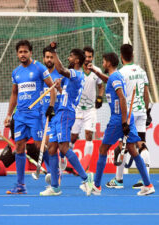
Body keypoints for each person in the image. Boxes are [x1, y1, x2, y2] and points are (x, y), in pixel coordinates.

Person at [87, 52, 155, 196]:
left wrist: (123, 122)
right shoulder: (115, 76)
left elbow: (122, 99)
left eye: (104, 61)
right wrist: (95, 71)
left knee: (103, 149)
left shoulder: (116, 77)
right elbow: (108, 80)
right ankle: (148, 185)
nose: (103, 63)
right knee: (132, 149)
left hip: (118, 119)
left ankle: (97, 187)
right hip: (125, 118)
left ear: (109, 63)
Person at [39, 43, 93, 196]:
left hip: (66, 113)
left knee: (63, 148)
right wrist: (59, 86)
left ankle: (85, 177)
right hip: (59, 113)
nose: (68, 58)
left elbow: (61, 69)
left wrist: (53, 51)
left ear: (76, 61)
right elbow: (65, 89)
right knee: (51, 148)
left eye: (70, 56)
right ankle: (55, 187)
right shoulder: (71, 76)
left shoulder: (77, 73)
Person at [4, 40, 56, 194]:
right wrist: (9, 114)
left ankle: (55, 177)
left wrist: (51, 107)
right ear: (17, 54)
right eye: (20, 52)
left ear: (30, 53)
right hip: (20, 116)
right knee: (19, 147)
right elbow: (14, 94)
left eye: (25, 51)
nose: (23, 54)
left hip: (36, 115)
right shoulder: (16, 72)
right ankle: (21, 185)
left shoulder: (39, 68)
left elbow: (52, 88)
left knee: (40, 147)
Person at [106, 44, 152, 189]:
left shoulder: (120, 73)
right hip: (141, 111)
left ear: (121, 56)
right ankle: (145, 179)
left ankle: (119, 180)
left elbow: (121, 97)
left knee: (123, 145)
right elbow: (146, 93)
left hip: (129, 114)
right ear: (132, 55)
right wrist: (147, 110)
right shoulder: (141, 71)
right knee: (141, 144)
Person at [68, 46, 104, 171]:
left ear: (92, 57)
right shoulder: (76, 71)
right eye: (86, 56)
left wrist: (100, 97)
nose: (88, 59)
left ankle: (86, 165)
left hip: (90, 109)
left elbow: (101, 86)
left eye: (90, 56)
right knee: (72, 137)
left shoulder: (97, 71)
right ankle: (66, 163)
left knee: (89, 135)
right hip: (77, 109)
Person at [41, 46, 63, 183]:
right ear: (44, 58)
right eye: (47, 57)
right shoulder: (41, 74)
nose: (49, 60)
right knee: (42, 146)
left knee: (49, 143)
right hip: (42, 115)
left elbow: (64, 94)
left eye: (51, 57)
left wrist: (59, 88)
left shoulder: (60, 75)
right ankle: (53, 171)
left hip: (56, 115)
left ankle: (54, 172)